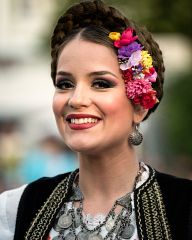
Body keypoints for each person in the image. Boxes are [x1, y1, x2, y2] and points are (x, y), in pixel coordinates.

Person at [0, 0, 191, 239]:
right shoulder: (16, 210)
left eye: (101, 83)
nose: (76, 99)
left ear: (139, 105)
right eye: (65, 84)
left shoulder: (184, 208)